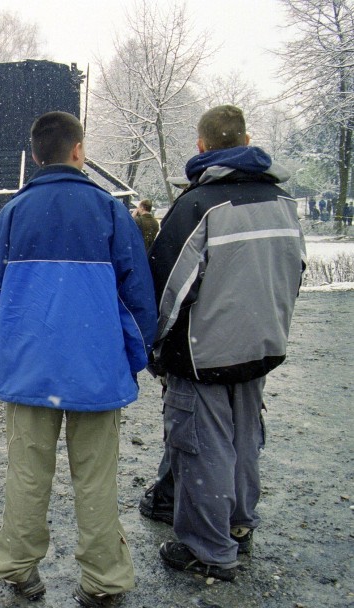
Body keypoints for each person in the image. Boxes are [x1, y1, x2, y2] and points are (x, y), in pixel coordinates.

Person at [0, 111, 157, 605]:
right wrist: (129, 360)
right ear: (79, 151)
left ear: (36, 156)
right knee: (96, 481)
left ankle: (18, 569)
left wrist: (8, 355)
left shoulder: (10, 215)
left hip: (30, 371)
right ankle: (103, 580)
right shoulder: (111, 212)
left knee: (27, 475)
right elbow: (138, 300)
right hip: (96, 374)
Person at [145, 105, 304, 582]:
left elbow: (166, 291)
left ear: (201, 147)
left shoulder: (198, 206)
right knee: (245, 439)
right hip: (260, 345)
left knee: (202, 446)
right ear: (247, 139)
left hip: (204, 352)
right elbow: (294, 273)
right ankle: (237, 525)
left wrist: (156, 350)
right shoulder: (284, 203)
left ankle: (208, 549)